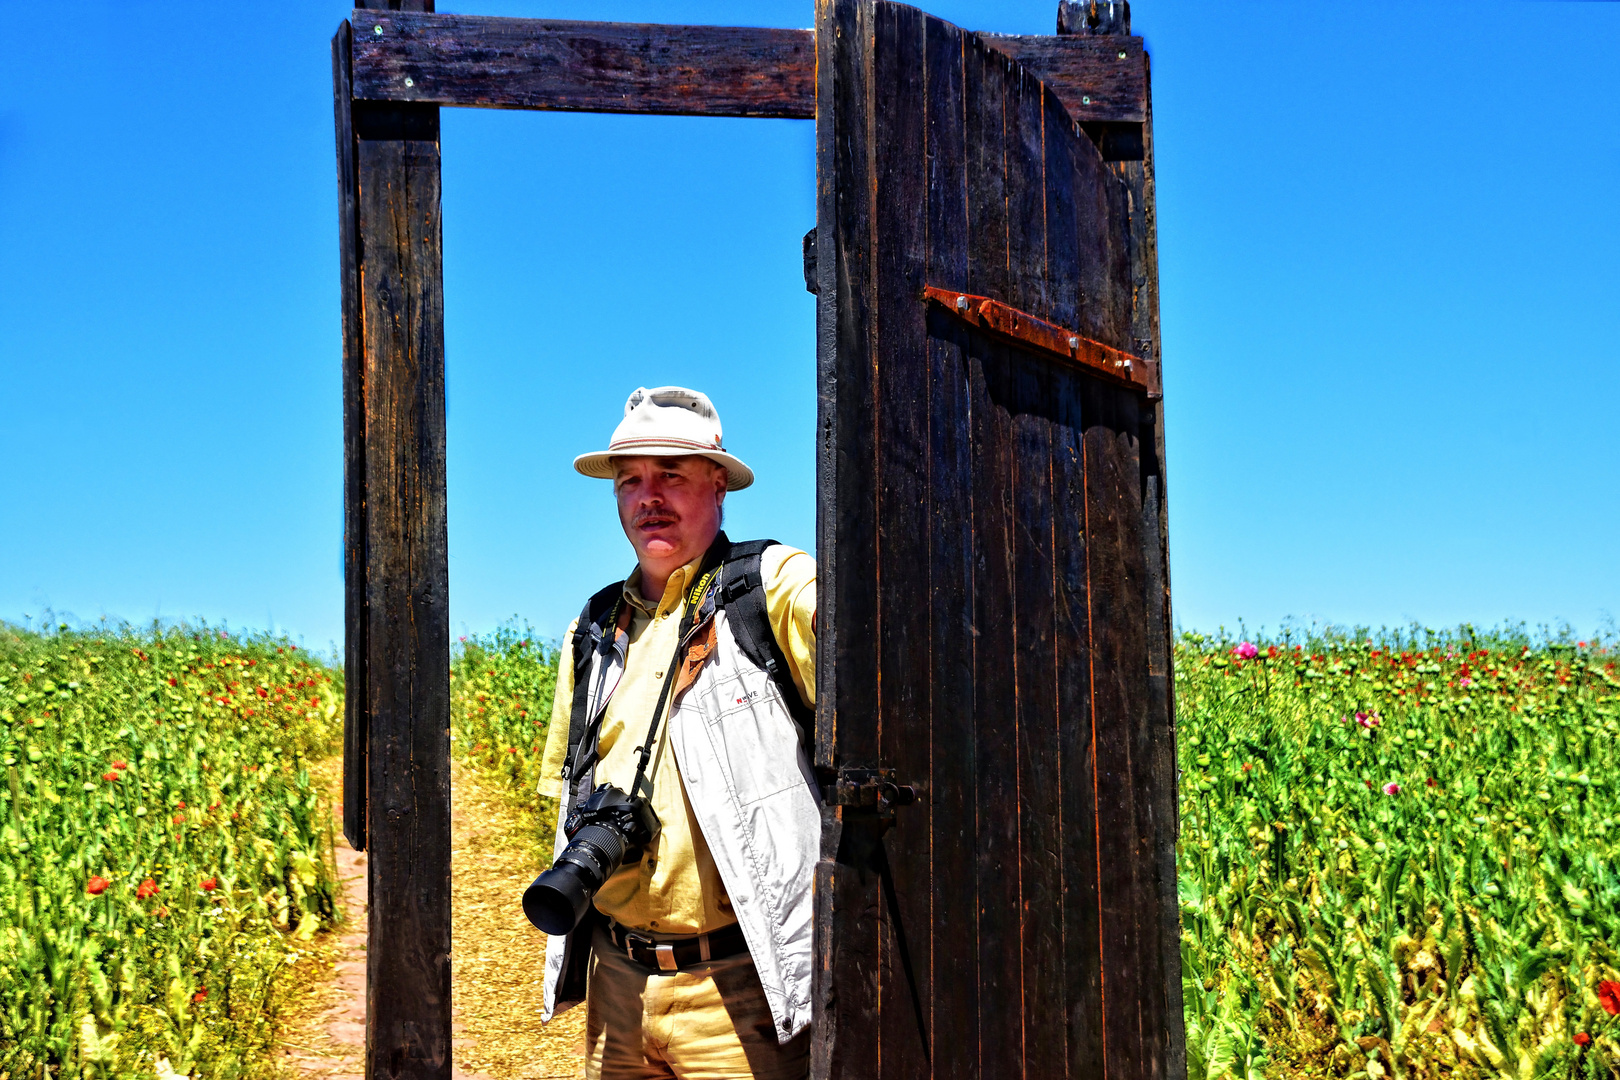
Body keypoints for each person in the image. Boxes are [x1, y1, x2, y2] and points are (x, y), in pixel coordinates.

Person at [535, 386, 819, 1080]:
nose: (646, 496)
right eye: (630, 480)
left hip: (737, 993)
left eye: (672, 474)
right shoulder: (594, 627)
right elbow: (569, 792)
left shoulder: (770, 586)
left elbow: (873, 650)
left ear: (718, 484)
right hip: (619, 982)